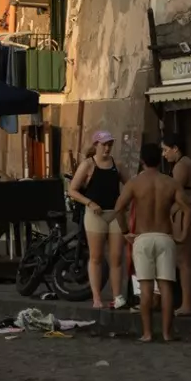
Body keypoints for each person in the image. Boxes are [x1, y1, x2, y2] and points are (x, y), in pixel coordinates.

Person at [113, 142, 181, 343]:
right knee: (166, 287)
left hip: (142, 237)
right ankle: (168, 334)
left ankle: (148, 333)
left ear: (142, 161)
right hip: (165, 237)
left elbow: (118, 208)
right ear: (159, 160)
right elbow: (184, 207)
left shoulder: (134, 183)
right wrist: (179, 230)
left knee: (145, 288)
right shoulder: (170, 182)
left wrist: (125, 231)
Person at [70, 131, 128, 310]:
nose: (107, 148)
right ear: (96, 145)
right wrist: (89, 202)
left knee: (117, 257)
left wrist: (125, 203)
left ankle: (117, 296)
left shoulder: (117, 165)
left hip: (115, 214)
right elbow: (72, 190)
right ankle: (96, 297)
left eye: (110, 144)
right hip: (96, 215)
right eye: (104, 144)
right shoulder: (88, 165)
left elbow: (129, 186)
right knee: (96, 256)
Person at [160, 134, 191, 316]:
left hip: (188, 215)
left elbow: (173, 192)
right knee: (183, 261)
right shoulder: (184, 163)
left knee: (185, 261)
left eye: (165, 150)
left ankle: (188, 304)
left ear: (175, 148)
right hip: (186, 214)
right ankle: (186, 303)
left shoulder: (182, 165)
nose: (164, 154)